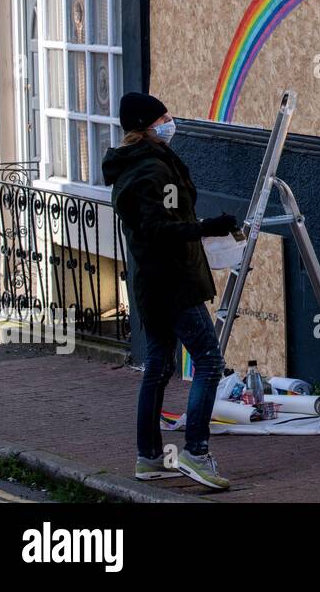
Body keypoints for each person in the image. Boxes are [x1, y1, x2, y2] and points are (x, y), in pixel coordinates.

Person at [102, 91, 238, 490]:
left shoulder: (134, 166)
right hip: (173, 282)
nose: (171, 121)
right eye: (164, 117)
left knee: (159, 366)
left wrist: (198, 230)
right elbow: (159, 229)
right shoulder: (153, 171)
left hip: (151, 282)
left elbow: (157, 226)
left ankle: (149, 457)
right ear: (147, 125)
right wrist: (207, 227)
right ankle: (196, 453)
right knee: (209, 362)